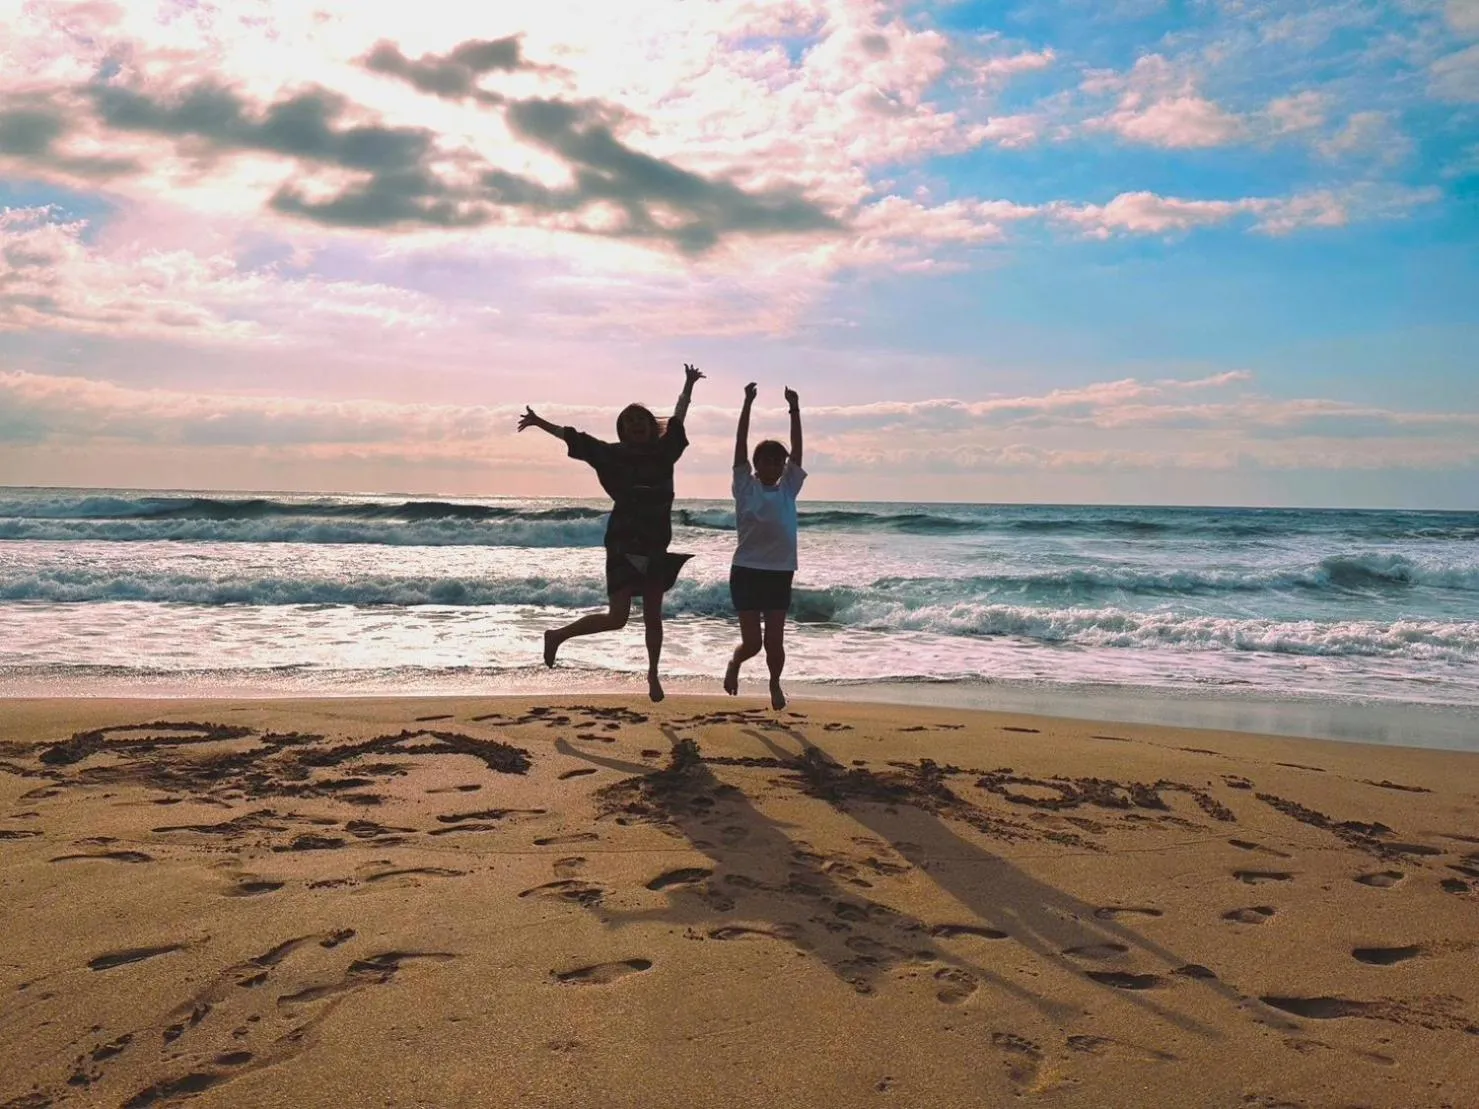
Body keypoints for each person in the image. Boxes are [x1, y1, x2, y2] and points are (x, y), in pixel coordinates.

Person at [518, 364, 704, 702]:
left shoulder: (665, 452)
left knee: (653, 614)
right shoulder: (612, 455)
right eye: (629, 421)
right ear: (621, 430)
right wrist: (538, 422)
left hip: (655, 543)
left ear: (651, 427)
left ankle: (653, 674)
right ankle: (557, 636)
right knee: (618, 618)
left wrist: (687, 386)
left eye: (641, 420)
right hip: (623, 541)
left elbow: (678, 419)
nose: (636, 425)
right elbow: (575, 438)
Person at [724, 382, 804, 709]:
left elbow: (798, 451)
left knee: (774, 642)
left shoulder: (788, 488)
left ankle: (774, 684)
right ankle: (735, 663)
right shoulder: (745, 486)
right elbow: (740, 443)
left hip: (779, 572)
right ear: (756, 465)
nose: (772, 466)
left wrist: (794, 409)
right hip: (746, 572)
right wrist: (747, 403)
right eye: (766, 461)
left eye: (778, 461)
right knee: (753, 644)